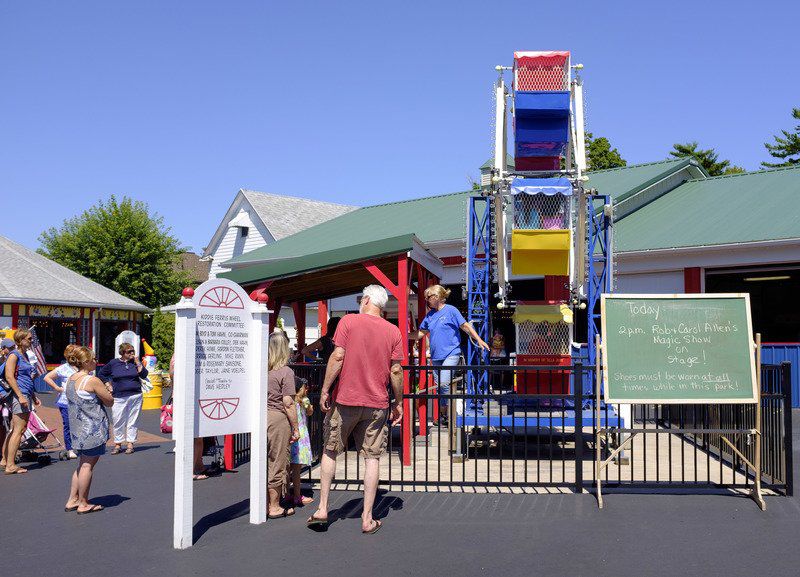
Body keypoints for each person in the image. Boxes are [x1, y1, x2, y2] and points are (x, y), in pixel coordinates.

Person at [307, 284, 404, 534]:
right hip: (376, 404)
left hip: (346, 400)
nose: (361, 301)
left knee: (330, 451)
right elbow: (395, 371)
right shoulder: (393, 331)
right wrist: (399, 402)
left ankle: (323, 509)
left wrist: (326, 389)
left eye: (362, 298)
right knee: (372, 458)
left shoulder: (348, 322)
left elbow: (338, 356)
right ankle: (367, 518)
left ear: (368, 299)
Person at [410, 285, 490, 424]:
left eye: (428, 297)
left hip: (451, 353)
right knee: (440, 385)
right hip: (436, 356)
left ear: (437, 297)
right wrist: (403, 335)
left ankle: (448, 411)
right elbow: (421, 333)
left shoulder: (451, 310)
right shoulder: (430, 315)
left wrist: (479, 340)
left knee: (444, 381)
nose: (427, 300)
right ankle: (446, 414)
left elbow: (465, 326)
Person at [63, 346, 113, 514]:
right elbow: (109, 401)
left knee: (82, 464)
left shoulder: (71, 379)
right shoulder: (91, 380)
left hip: (77, 429)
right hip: (93, 429)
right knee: (87, 466)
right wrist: (109, 391)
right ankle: (84, 503)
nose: (95, 362)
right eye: (93, 359)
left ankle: (73, 499)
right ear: (85, 362)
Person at [267, 332, 300, 519]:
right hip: (278, 419)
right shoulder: (286, 372)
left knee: (263, 462)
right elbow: (288, 402)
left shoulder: (263, 371)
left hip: (261, 417)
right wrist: (295, 427)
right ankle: (274, 506)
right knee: (277, 461)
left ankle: (262, 502)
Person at [97, 342, 147, 454]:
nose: (132, 353)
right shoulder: (113, 363)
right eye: (129, 351)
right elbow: (101, 374)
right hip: (119, 397)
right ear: (123, 352)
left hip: (135, 395)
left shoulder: (135, 363)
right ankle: (118, 444)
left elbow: (144, 374)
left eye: (133, 351)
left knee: (132, 421)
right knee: (118, 420)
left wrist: (138, 362)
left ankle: (130, 444)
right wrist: (107, 384)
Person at [3, 329, 41, 474]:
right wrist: (20, 395)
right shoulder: (14, 355)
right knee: (18, 430)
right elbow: (10, 376)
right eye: (29, 339)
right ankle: (10, 464)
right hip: (20, 396)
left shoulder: (24, 355)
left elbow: (27, 379)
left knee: (19, 429)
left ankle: (7, 461)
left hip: (25, 394)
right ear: (20, 340)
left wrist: (32, 396)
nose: (31, 341)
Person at [169, 353, 212, 480]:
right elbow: (173, 375)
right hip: (189, 398)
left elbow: (172, 375)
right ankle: (190, 470)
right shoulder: (183, 355)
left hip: (187, 397)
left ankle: (199, 465)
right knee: (195, 437)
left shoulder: (177, 355)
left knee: (199, 437)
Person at [44, 344, 79, 459]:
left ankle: (79, 445)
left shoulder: (82, 367)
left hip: (81, 401)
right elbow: (47, 377)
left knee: (80, 424)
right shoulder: (63, 368)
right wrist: (57, 388)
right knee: (68, 425)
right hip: (66, 401)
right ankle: (69, 449)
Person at [289, 377, 314, 507]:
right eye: (305, 387)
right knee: (297, 470)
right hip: (301, 436)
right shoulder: (303, 400)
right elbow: (310, 412)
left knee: (287, 468)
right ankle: (297, 496)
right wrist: (309, 405)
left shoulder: (290, 402)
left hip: (291, 435)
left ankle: (286, 493)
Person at [0, 338, 16, 469]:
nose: (11, 350)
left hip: (6, 399)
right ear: (3, 349)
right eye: (9, 348)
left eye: (12, 348)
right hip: (3, 397)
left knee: (5, 425)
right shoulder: (3, 362)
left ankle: (3, 455)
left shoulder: (11, 360)